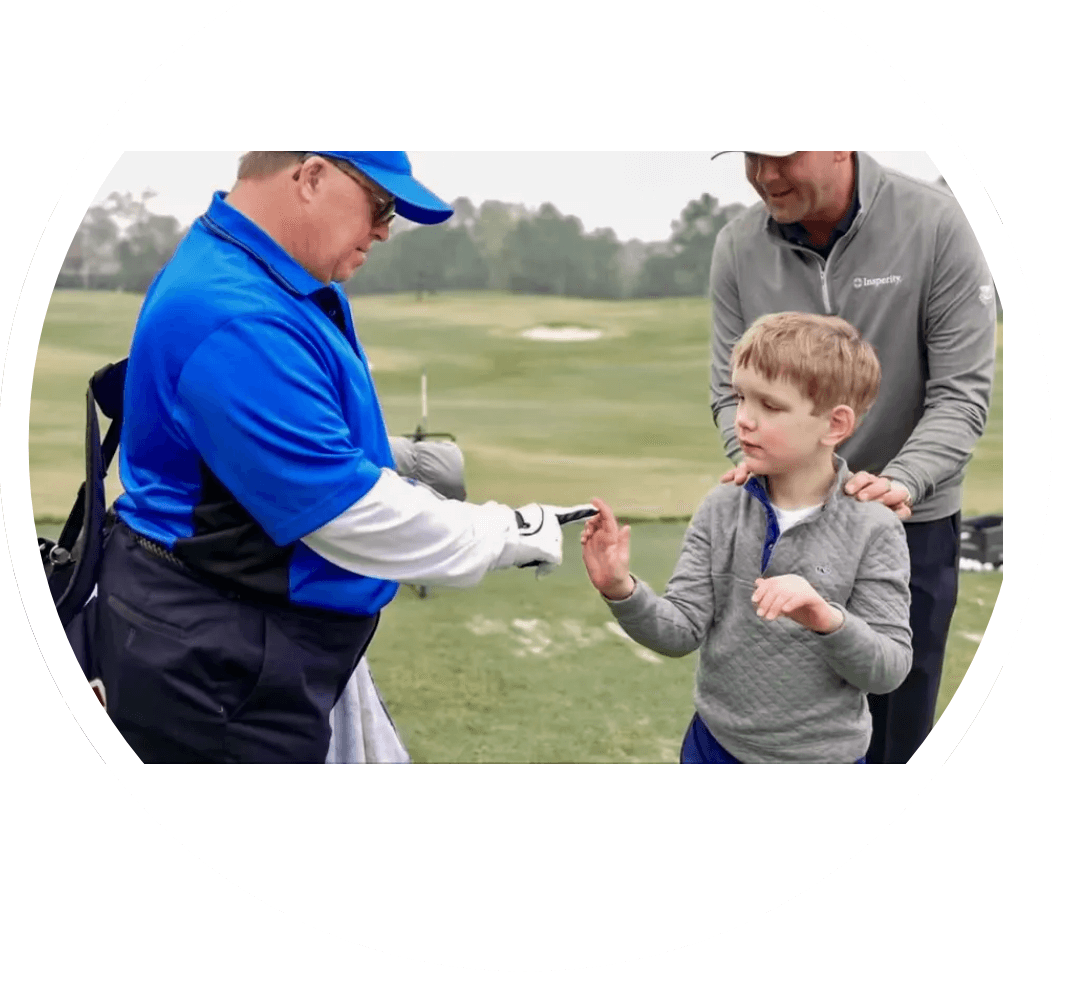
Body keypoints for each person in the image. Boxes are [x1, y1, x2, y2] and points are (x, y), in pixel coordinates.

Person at [86, 151, 591, 764]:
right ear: (311, 175)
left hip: (259, 635)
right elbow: (349, 513)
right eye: (380, 204)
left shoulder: (278, 277)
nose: (385, 228)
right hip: (218, 661)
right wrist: (505, 532)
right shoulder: (235, 313)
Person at [708, 151, 997, 763]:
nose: (765, 175)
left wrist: (902, 481)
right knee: (768, 721)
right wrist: (753, 464)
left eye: (782, 156)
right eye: (751, 157)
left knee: (892, 737)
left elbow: (959, 396)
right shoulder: (736, 245)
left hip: (904, 525)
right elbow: (726, 388)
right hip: (780, 520)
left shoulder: (937, 224)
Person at [581, 312, 912, 763]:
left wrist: (823, 616)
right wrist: (621, 589)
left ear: (835, 425)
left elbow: (888, 670)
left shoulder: (875, 527)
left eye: (770, 406)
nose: (744, 421)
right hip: (713, 747)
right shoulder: (721, 507)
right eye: (740, 398)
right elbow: (680, 632)